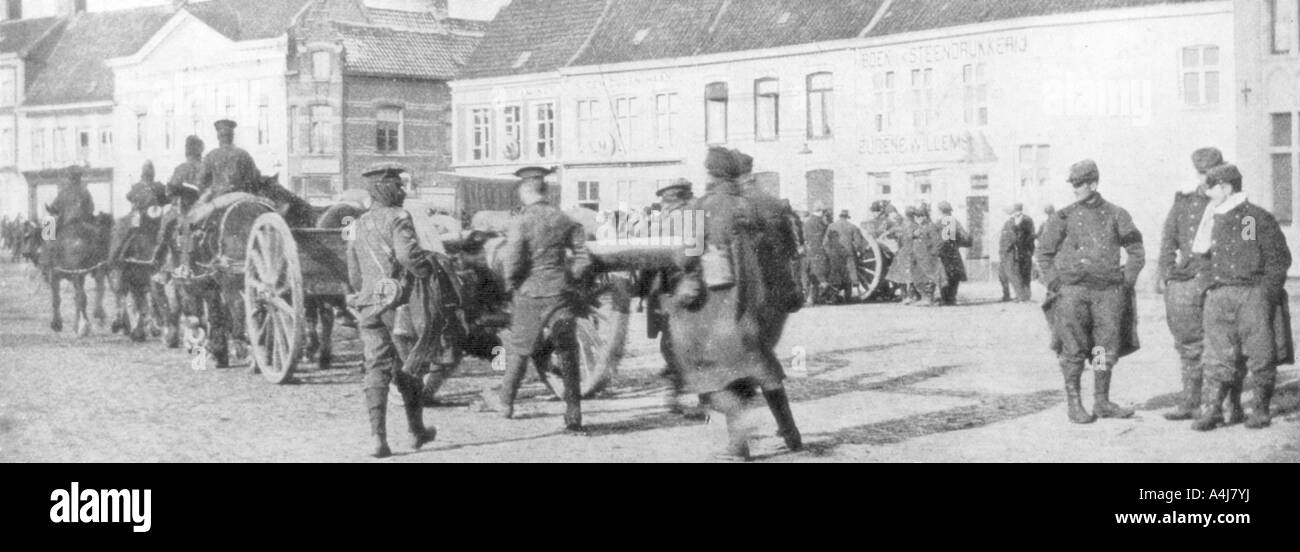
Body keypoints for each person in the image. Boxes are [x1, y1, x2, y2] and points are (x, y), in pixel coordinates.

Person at [663, 147, 790, 460]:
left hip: (716, 304)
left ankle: (739, 443)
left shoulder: (699, 207)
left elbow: (685, 257)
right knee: (760, 364)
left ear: (710, 174)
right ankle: (790, 431)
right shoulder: (753, 206)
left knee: (701, 366)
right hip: (755, 301)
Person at [479, 166, 592, 432]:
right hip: (560, 294)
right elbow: (583, 258)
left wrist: (511, 286)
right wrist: (568, 280)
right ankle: (574, 413)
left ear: (524, 191)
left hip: (530, 294)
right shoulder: (564, 218)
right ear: (545, 191)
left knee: (519, 349)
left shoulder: (521, 221)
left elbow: (513, 259)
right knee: (568, 351)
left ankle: (506, 403)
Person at [1037, 160, 1145, 424]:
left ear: (1093, 184)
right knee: (1073, 349)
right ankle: (1075, 404)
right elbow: (1044, 254)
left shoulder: (1117, 214)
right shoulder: (1062, 216)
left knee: (1102, 349)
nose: (1074, 190)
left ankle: (1101, 400)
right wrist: (1055, 284)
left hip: (1107, 294)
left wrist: (1125, 282)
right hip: (1072, 294)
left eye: (1079, 185)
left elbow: (1136, 250)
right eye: (1072, 185)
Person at [346, 165, 438, 458]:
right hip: (400, 306)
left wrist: (369, 291)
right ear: (385, 189)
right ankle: (415, 431)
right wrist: (427, 269)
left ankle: (377, 439)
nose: (403, 191)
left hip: (369, 304)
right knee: (409, 365)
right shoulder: (399, 217)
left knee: (376, 367)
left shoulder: (357, 224)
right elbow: (407, 256)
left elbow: (354, 273)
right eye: (398, 186)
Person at [1192, 164, 1293, 431]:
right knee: (1216, 355)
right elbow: (1201, 258)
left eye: (1210, 188)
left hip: (1252, 295)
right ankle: (1212, 410)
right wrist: (1207, 287)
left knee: (1259, 354)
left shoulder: (1252, 219)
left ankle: (1259, 409)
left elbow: (1277, 259)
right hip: (1219, 295)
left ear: (1225, 188)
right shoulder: (1210, 217)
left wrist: (1264, 295)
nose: (1207, 194)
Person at [1157, 148, 1238, 422]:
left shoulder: (1238, 205)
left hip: (1221, 281)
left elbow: (1248, 244)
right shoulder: (1184, 201)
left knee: (1224, 344)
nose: (1205, 178)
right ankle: (1191, 401)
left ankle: (1228, 404)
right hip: (1187, 280)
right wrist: (1167, 274)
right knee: (1189, 345)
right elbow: (1168, 238)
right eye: (1201, 173)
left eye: (1211, 172)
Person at [734, 150, 803, 450]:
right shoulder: (776, 203)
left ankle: (739, 445)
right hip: (779, 297)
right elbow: (793, 251)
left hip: (747, 296)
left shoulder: (734, 206)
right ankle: (789, 432)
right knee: (762, 355)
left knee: (743, 361)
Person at [641, 179, 703, 418]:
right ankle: (680, 393)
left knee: (681, 344)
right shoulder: (684, 215)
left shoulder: (686, 216)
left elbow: (691, 255)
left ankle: (694, 395)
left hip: (683, 289)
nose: (665, 203)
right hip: (672, 289)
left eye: (667, 199)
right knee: (675, 344)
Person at [191, 120, 263, 221]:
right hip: (242, 201)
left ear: (218, 137)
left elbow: (200, 182)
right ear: (232, 136)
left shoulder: (211, 156)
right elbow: (255, 180)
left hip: (217, 203)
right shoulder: (244, 155)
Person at [109, 161, 166, 269]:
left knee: (122, 230)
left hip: (140, 220)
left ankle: (114, 258)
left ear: (142, 174)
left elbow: (129, 197)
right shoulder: (159, 187)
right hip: (156, 221)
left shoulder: (137, 186)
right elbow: (165, 200)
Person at [824, 210, 867, 303]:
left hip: (835, 254)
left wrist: (829, 252)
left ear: (839, 216)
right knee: (850, 273)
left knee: (836, 274)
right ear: (847, 217)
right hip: (849, 254)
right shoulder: (853, 227)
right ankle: (848, 296)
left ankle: (834, 296)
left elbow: (825, 243)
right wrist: (857, 251)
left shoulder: (831, 226)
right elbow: (858, 243)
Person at [906, 204, 943, 306]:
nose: (918, 219)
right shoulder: (918, 228)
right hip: (918, 258)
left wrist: (933, 254)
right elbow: (910, 238)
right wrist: (913, 235)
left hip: (928, 258)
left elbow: (938, 242)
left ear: (926, 217)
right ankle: (923, 297)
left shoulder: (931, 227)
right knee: (919, 278)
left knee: (929, 278)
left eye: (921, 216)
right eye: (917, 217)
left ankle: (929, 299)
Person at [934, 201, 970, 306]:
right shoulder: (954, 221)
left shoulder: (942, 221)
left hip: (943, 252)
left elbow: (942, 240)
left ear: (940, 210)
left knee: (944, 275)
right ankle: (952, 298)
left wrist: (936, 250)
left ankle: (945, 299)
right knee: (954, 275)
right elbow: (965, 237)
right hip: (954, 251)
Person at [998, 203, 1035, 302]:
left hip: (1023, 250)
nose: (1014, 214)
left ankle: (1024, 296)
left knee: (1024, 273)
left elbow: (1030, 236)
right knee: (1009, 273)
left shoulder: (1027, 220)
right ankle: (1019, 295)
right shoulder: (1010, 221)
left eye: (1016, 212)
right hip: (1011, 251)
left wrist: (1029, 250)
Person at [802, 203, 831, 305]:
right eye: (823, 212)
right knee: (820, 275)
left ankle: (812, 299)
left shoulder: (807, 222)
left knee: (811, 276)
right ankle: (824, 293)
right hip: (820, 251)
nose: (824, 214)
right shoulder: (821, 222)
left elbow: (804, 237)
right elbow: (826, 237)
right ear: (821, 211)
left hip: (810, 251)